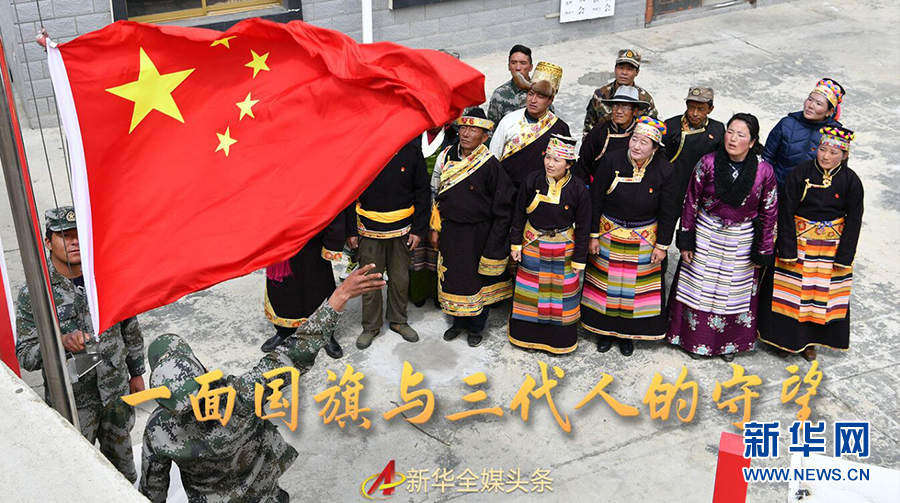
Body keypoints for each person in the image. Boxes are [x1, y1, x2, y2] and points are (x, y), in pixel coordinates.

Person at [139, 264, 385, 503]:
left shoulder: (158, 430)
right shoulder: (239, 396)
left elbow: (153, 491)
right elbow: (294, 353)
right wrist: (341, 295)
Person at [16, 206, 144, 482]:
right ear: (48, 242)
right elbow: (25, 355)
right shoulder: (36, 291)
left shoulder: (105, 276)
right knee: (76, 474)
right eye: (65, 235)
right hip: (73, 402)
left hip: (115, 394)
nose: (74, 242)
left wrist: (137, 373)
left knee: (122, 474)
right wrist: (60, 342)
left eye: (78, 234)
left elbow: (129, 327)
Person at [667, 113, 777, 362]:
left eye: (741, 135)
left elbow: (769, 211)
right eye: (730, 132)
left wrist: (763, 250)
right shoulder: (707, 163)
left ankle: (729, 344)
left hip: (742, 237)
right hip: (706, 232)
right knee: (698, 288)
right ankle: (693, 341)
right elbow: (690, 201)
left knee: (734, 293)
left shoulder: (764, 171)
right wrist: (686, 239)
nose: (733, 139)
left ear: (752, 142)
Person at [758, 127, 863, 361]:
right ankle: (785, 341)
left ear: (845, 155)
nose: (826, 156)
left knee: (820, 297)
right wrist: (787, 249)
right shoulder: (800, 173)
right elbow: (786, 210)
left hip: (831, 249)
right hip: (798, 243)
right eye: (823, 149)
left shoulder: (851, 181)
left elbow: (854, 219)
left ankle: (810, 342)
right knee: (791, 294)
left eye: (833, 153)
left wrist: (845, 256)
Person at [580, 117, 678, 356]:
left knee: (634, 292)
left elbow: (668, 210)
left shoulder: (665, 170)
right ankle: (604, 331)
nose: (636, 146)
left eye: (644, 143)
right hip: (608, 233)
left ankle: (627, 335)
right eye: (634, 139)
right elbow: (596, 199)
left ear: (655, 148)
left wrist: (662, 245)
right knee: (606, 286)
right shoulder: (611, 160)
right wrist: (593, 235)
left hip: (643, 238)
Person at [430, 109, 516, 347]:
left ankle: (477, 326)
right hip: (450, 231)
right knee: (454, 278)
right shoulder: (446, 156)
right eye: (464, 128)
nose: (466, 134)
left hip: (478, 234)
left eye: (473, 130)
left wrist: (496, 241)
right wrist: (435, 227)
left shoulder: (490, 165)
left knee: (476, 281)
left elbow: (503, 207)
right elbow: (435, 193)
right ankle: (458, 323)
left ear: (485, 136)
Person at [508, 135, 590, 354]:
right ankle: (527, 338)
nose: (550, 164)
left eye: (557, 160)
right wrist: (515, 245)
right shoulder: (531, 181)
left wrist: (579, 259)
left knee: (561, 296)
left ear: (569, 164)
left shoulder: (578, 188)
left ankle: (559, 341)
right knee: (531, 294)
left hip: (564, 247)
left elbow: (583, 226)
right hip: (533, 243)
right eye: (548, 157)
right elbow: (518, 214)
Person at [346, 140, 429, 349]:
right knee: (370, 280)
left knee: (400, 278)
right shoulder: (361, 148)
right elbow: (347, 191)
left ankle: (398, 320)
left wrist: (419, 229)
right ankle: (371, 326)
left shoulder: (411, 149)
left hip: (403, 229)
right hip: (368, 227)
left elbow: (422, 191)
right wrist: (350, 231)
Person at [262, 214, 344, 358]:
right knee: (282, 289)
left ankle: (324, 333)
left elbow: (333, 203)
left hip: (312, 235)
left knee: (318, 288)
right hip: (280, 236)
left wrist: (333, 240)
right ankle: (284, 330)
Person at [489, 61, 571, 191]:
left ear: (550, 100)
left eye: (540, 96)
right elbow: (494, 156)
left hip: (541, 193)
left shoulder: (559, 128)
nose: (533, 100)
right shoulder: (509, 120)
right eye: (531, 94)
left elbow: (563, 167)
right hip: (507, 191)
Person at [408, 122, 458, 309]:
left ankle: (438, 294)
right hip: (415, 202)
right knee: (416, 250)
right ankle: (417, 293)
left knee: (438, 249)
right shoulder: (412, 135)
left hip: (443, 201)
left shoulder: (454, 138)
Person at [763, 78, 844, 188]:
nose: (811, 106)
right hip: (779, 189)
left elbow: (838, 171)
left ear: (830, 111)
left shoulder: (835, 134)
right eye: (810, 99)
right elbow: (767, 158)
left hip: (812, 194)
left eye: (818, 103)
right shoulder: (787, 124)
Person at [572, 85, 649, 184]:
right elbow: (583, 163)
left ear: (634, 111)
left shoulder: (642, 133)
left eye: (625, 106)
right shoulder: (599, 131)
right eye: (615, 106)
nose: (619, 111)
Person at [662, 86, 725, 206]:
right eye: (691, 108)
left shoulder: (718, 129)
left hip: (701, 189)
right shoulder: (671, 125)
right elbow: (662, 159)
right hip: (673, 186)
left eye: (701, 109)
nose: (695, 114)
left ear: (710, 109)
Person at [583, 49, 658, 137]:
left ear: (637, 72)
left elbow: (652, 132)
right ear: (615, 69)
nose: (624, 73)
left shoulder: (645, 100)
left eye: (629, 69)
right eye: (621, 68)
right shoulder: (600, 95)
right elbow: (589, 128)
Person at [487, 45, 535, 125]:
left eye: (523, 63)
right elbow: (492, 127)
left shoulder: (539, 91)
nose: (518, 68)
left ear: (530, 67)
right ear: (509, 66)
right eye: (513, 63)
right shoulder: (500, 94)